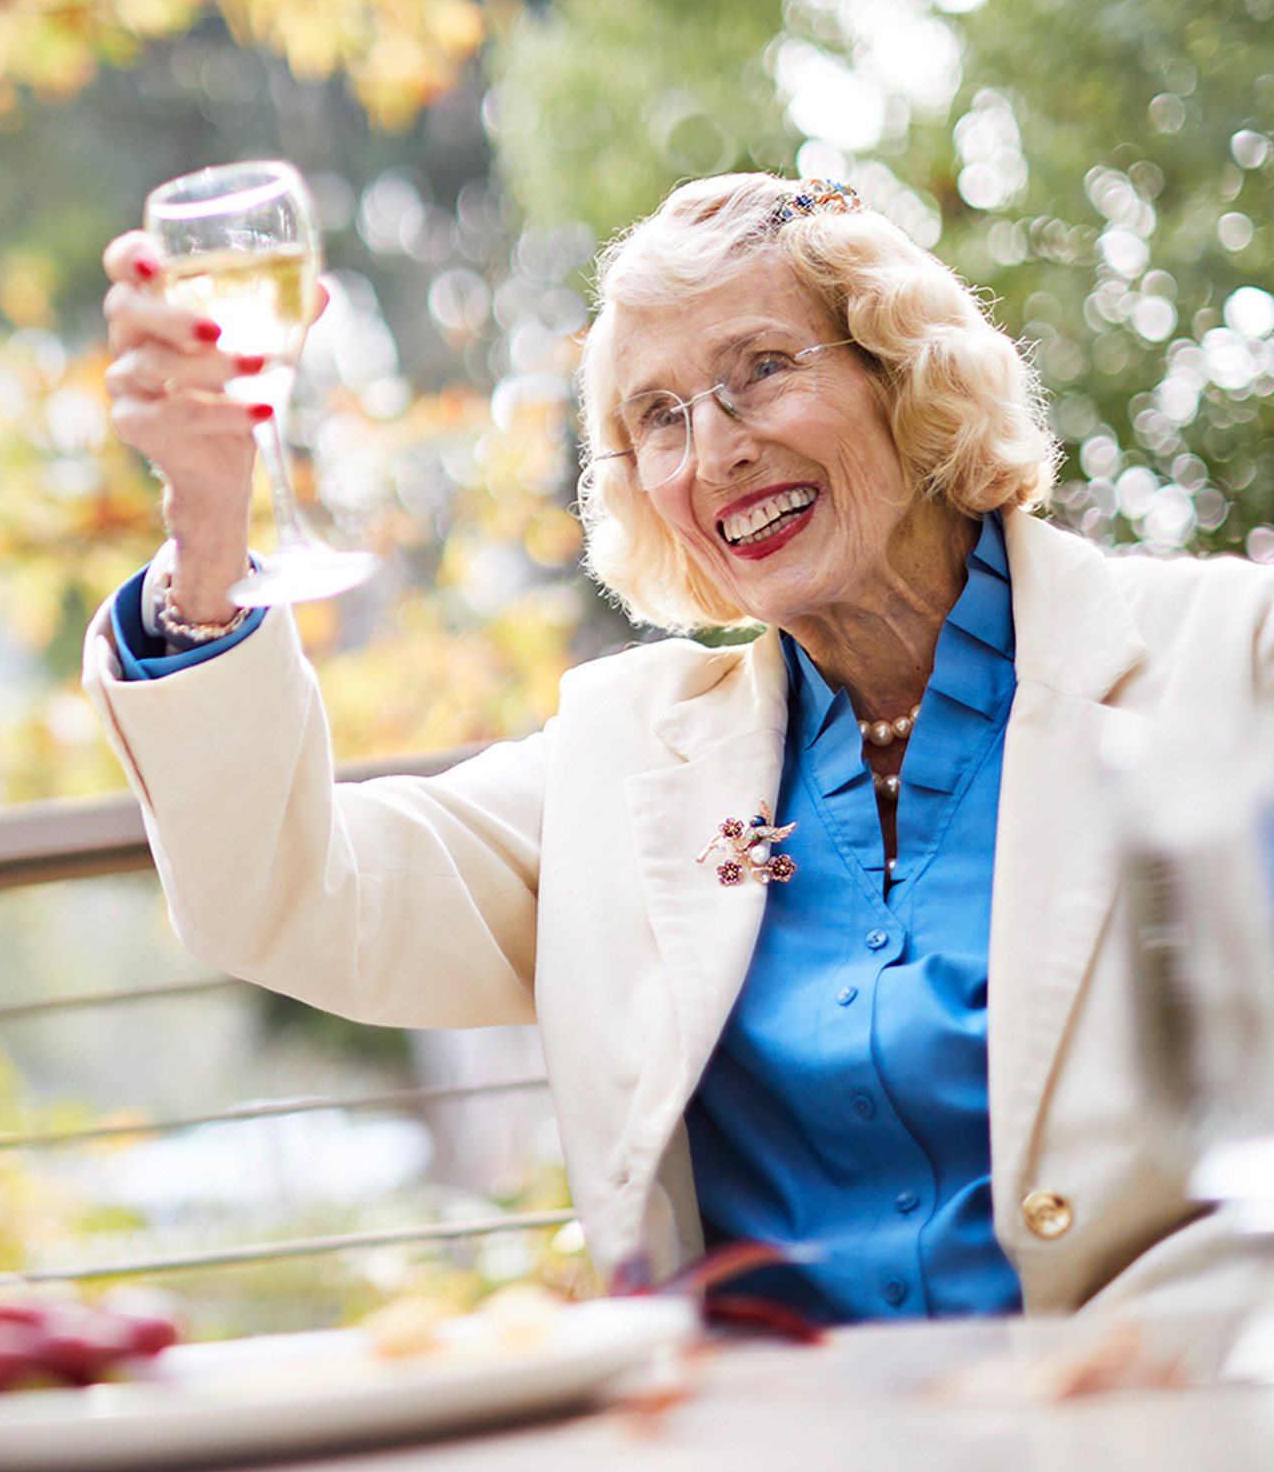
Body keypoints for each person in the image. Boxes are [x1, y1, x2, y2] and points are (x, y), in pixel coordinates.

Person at [84, 172, 1274, 1322]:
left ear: (906, 375)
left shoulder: (1227, 658)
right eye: (659, 418)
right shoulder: (621, 758)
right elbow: (285, 894)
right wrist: (208, 516)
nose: (712, 454)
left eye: (760, 369)